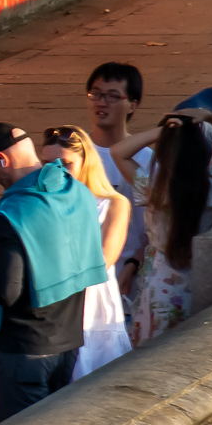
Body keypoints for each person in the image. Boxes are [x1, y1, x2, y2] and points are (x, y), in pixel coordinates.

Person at [0, 123, 104, 419]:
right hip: (68, 344)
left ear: (2, 159)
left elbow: (7, 290)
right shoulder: (78, 192)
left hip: (22, 352)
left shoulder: (10, 213)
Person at [115, 112, 212, 342]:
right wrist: (210, 116)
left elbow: (118, 151)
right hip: (202, 281)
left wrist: (164, 132)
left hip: (159, 285)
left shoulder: (153, 190)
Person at [46, 126, 136, 372]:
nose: (56, 172)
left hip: (92, 307)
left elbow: (103, 260)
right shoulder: (38, 204)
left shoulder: (113, 204)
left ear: (86, 162)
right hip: (49, 309)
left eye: (65, 164)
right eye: (47, 164)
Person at [84, 62, 145, 297]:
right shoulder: (75, 156)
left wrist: (134, 263)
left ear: (132, 104)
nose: (101, 102)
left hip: (131, 281)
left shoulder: (147, 160)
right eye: (95, 94)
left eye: (112, 96)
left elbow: (155, 224)